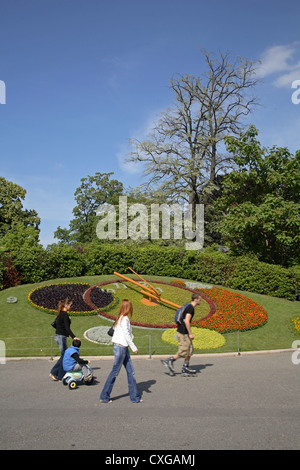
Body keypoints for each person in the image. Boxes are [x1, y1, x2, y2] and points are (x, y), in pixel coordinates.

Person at [100, 299, 142, 403]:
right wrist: (134, 347)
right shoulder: (125, 319)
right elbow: (127, 335)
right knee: (115, 372)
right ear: (128, 307)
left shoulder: (120, 318)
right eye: (130, 306)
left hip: (122, 348)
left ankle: (134, 397)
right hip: (121, 348)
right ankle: (104, 396)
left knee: (130, 371)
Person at [162, 292, 202, 376]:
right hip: (183, 332)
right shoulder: (190, 308)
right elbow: (187, 321)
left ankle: (185, 367)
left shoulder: (188, 306)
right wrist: (190, 334)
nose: (200, 301)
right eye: (199, 300)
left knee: (190, 350)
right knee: (184, 350)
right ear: (196, 299)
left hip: (184, 332)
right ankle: (169, 360)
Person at [49, 298, 79, 381]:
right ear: (66, 305)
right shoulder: (64, 314)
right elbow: (67, 328)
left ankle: (55, 373)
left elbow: (57, 325)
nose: (71, 307)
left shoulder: (60, 314)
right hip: (61, 337)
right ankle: (59, 375)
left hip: (58, 336)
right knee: (65, 356)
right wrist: (74, 337)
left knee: (64, 356)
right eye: (70, 305)